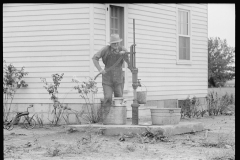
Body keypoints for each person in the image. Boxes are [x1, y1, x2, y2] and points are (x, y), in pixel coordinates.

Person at [92, 34, 131, 116]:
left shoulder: (122, 49)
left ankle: (119, 118)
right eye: (114, 43)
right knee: (108, 98)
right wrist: (100, 69)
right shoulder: (105, 49)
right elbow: (95, 58)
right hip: (107, 80)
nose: (116, 45)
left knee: (119, 99)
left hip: (118, 79)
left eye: (117, 43)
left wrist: (125, 56)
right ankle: (106, 118)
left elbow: (129, 62)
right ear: (110, 44)